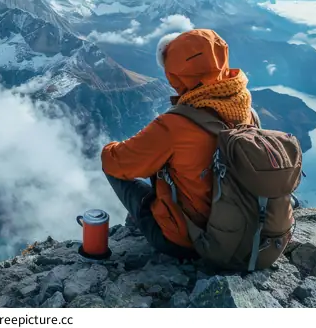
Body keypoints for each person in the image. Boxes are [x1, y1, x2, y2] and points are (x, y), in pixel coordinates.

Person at [101, 28, 256, 260]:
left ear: (175, 74)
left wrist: (110, 147)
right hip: (246, 231)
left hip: (186, 242)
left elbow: (116, 162)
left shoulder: (174, 126)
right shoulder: (245, 110)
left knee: (113, 166)